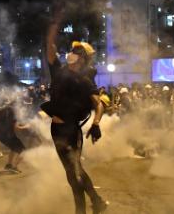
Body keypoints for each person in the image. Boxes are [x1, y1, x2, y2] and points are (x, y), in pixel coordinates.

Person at [44, 19, 107, 214]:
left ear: (82, 59)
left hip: (71, 131)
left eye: (77, 52)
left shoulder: (85, 81)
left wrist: (96, 124)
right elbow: (49, 48)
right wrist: (54, 25)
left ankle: (83, 209)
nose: (71, 54)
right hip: (56, 129)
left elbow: (99, 105)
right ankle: (96, 202)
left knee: (74, 172)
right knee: (72, 172)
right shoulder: (59, 72)